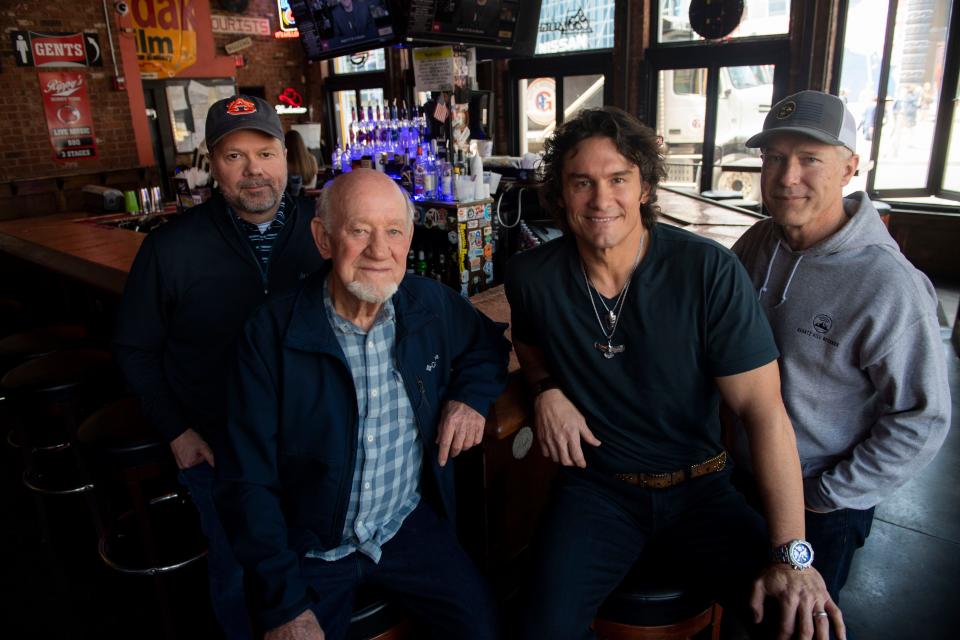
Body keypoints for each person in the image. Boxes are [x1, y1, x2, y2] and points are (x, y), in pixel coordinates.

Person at [504, 106, 844, 640]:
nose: (601, 199)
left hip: (701, 490)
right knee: (536, 628)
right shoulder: (531, 275)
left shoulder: (706, 270)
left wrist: (792, 558)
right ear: (560, 192)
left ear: (644, 186)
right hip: (597, 492)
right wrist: (545, 388)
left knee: (800, 623)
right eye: (582, 182)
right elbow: (525, 337)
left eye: (618, 179)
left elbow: (763, 412)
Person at [214, 169, 510, 640]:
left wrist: (468, 400)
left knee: (483, 628)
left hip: (402, 525)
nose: (379, 250)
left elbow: (486, 346)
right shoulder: (269, 333)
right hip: (309, 548)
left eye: (393, 231)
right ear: (324, 238)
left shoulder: (428, 304)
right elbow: (246, 479)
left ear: (409, 238)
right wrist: (283, 603)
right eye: (359, 230)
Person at [113, 94, 325, 639]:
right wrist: (176, 432)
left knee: (317, 567)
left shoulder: (325, 230)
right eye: (235, 156)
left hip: (313, 442)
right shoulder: (171, 248)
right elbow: (135, 349)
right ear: (212, 164)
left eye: (266, 152)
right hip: (218, 448)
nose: (254, 170)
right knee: (235, 572)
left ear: (286, 156)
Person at [731, 90, 950, 608]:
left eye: (810, 159)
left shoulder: (888, 284)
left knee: (793, 624)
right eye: (775, 158)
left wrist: (825, 497)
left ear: (850, 168)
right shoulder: (759, 241)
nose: (788, 177)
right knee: (740, 610)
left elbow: (922, 419)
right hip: (739, 480)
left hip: (819, 504)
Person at [285, 129, 318, 193]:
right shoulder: (312, 159)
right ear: (301, 142)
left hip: (291, 200)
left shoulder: (284, 162)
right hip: (310, 199)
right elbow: (314, 183)